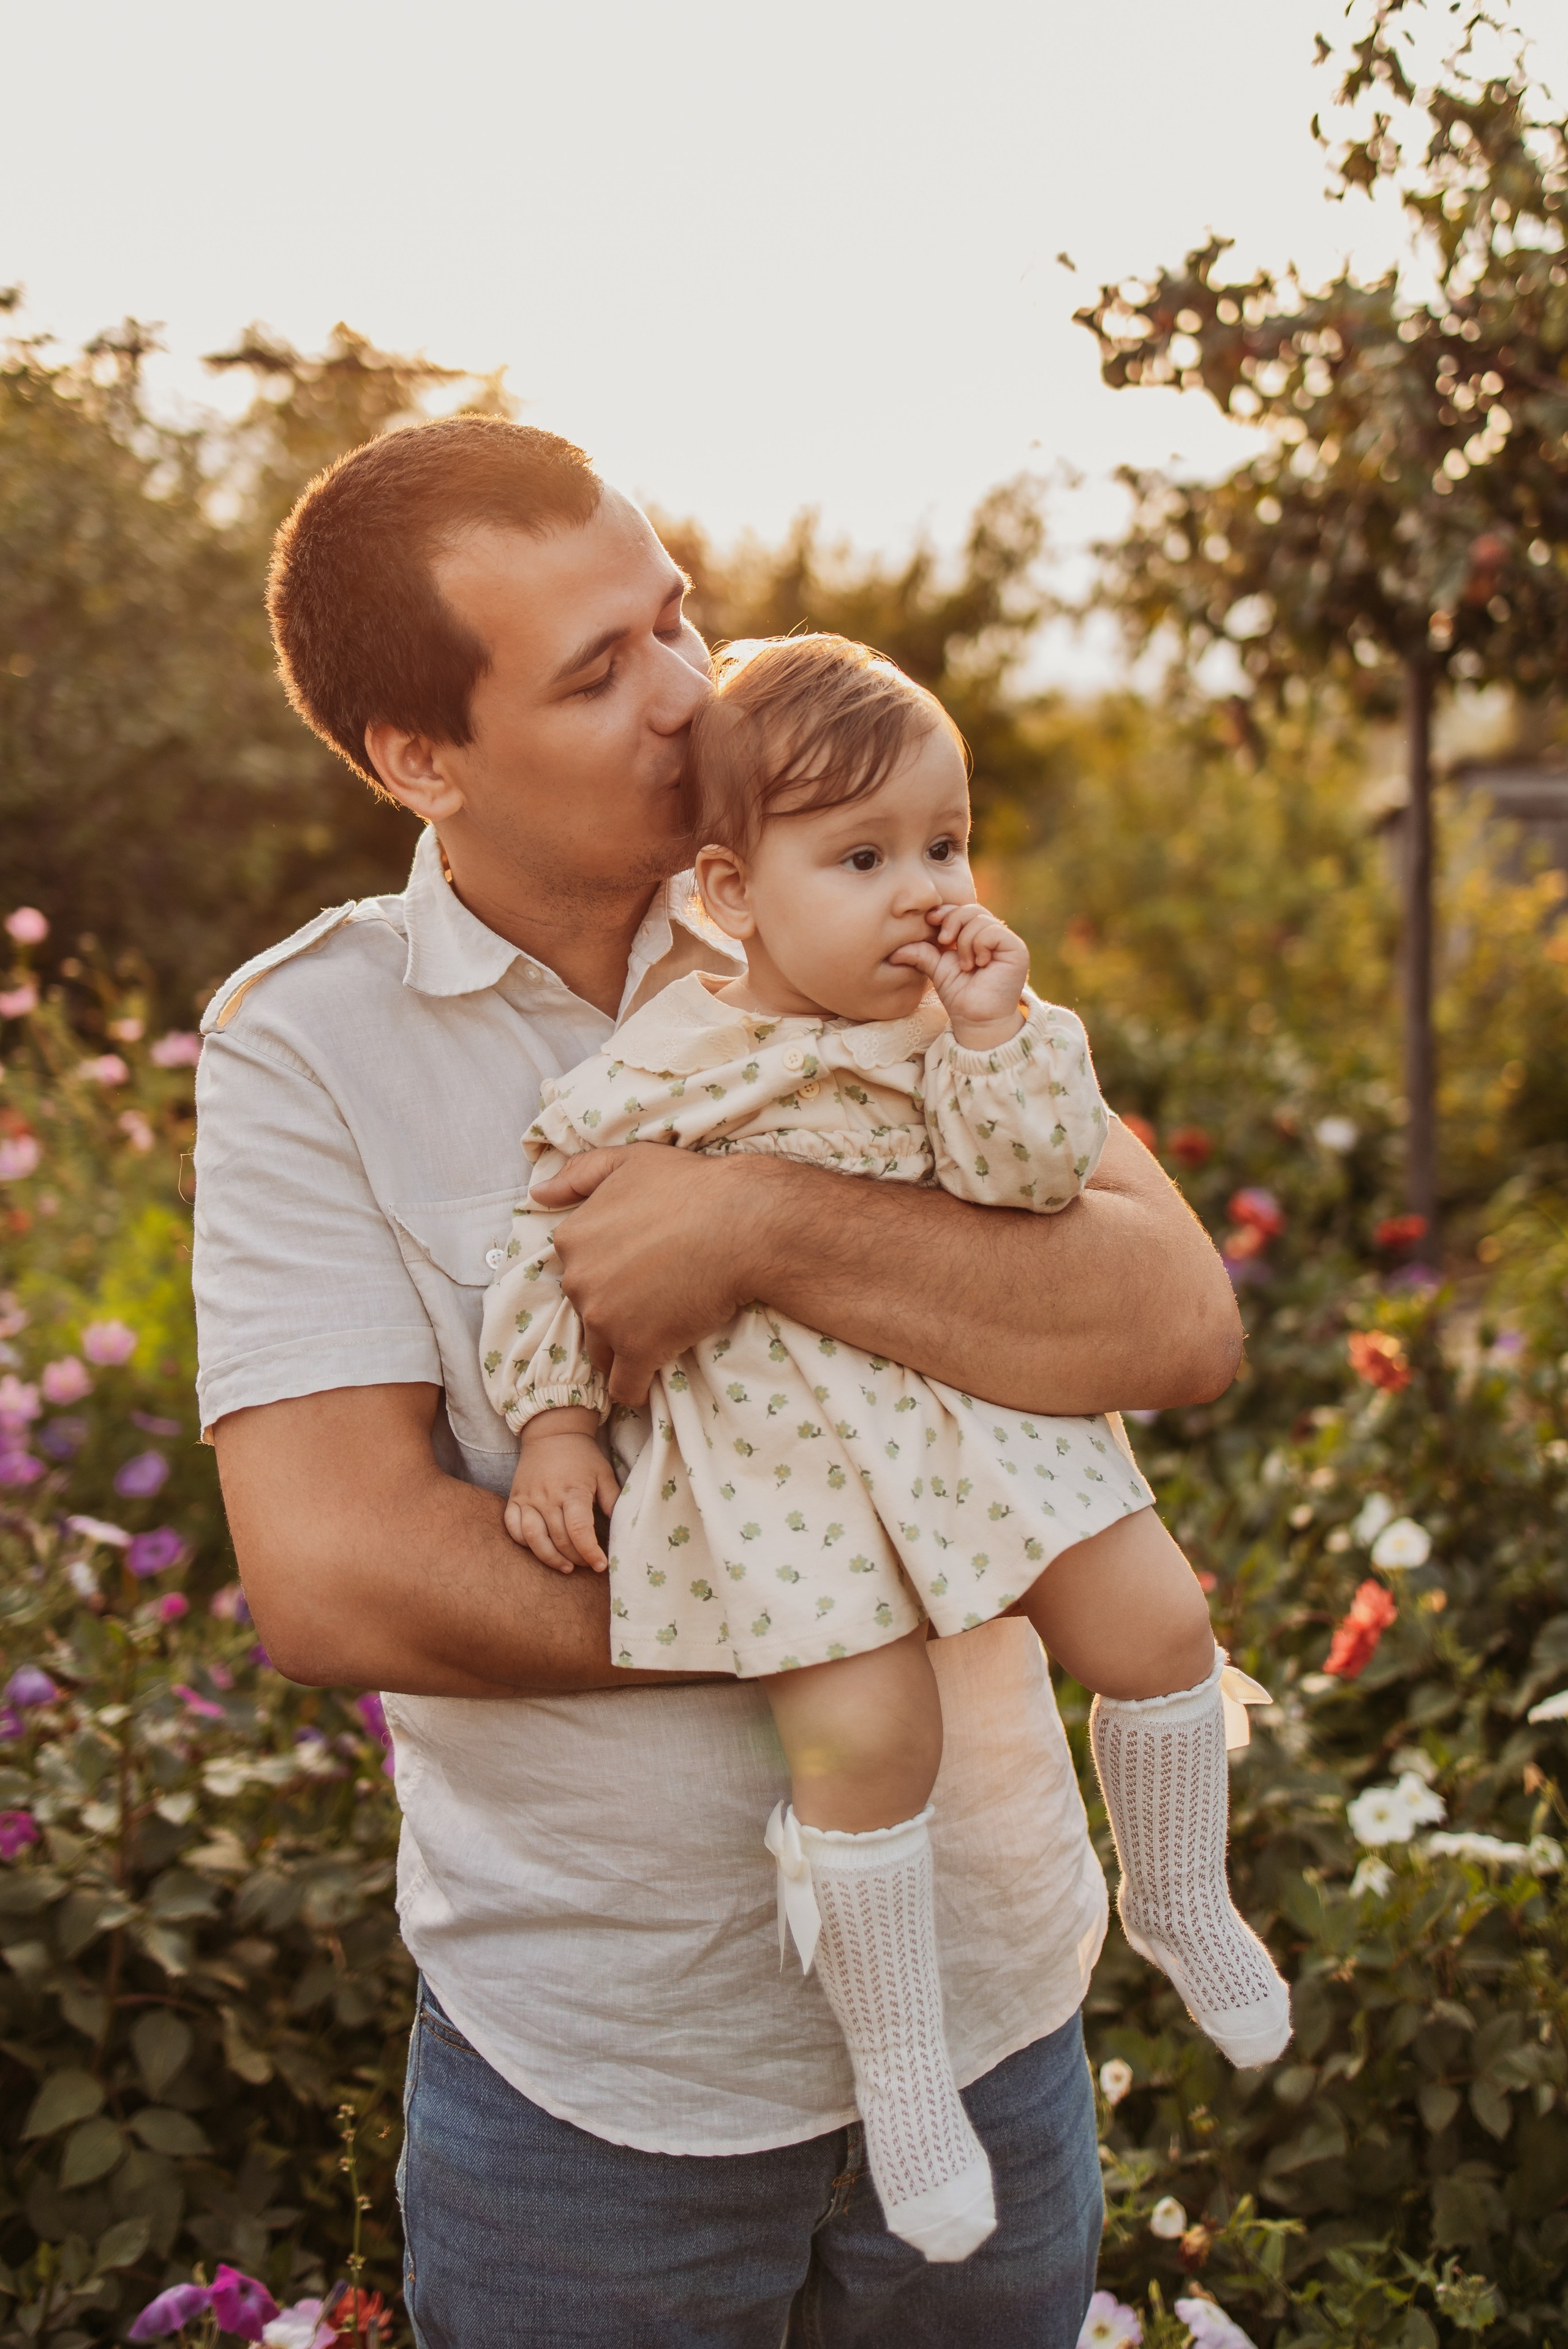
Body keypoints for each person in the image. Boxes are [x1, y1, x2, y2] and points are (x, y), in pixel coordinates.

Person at [195, 414, 1246, 2349]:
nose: (691, 695)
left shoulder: (845, 862)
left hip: (998, 1986)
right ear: (422, 757)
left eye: (677, 616)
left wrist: (755, 1227)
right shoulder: (305, 1045)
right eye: (602, 671)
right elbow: (338, 1570)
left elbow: (1173, 1313)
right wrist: (850, 1604)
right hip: (607, 2083)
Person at [484, 632, 1289, 2263]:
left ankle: (1182, 1892)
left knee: (1159, 1620)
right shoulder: (654, 1073)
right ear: (732, 887)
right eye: (862, 858)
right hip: (789, 1464)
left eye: (944, 841)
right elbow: (549, 1256)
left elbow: (1036, 1182)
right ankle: (902, 2062)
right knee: (866, 1740)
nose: (924, 890)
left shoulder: (956, 1030)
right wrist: (560, 1423)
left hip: (975, 1415)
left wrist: (997, 1032)